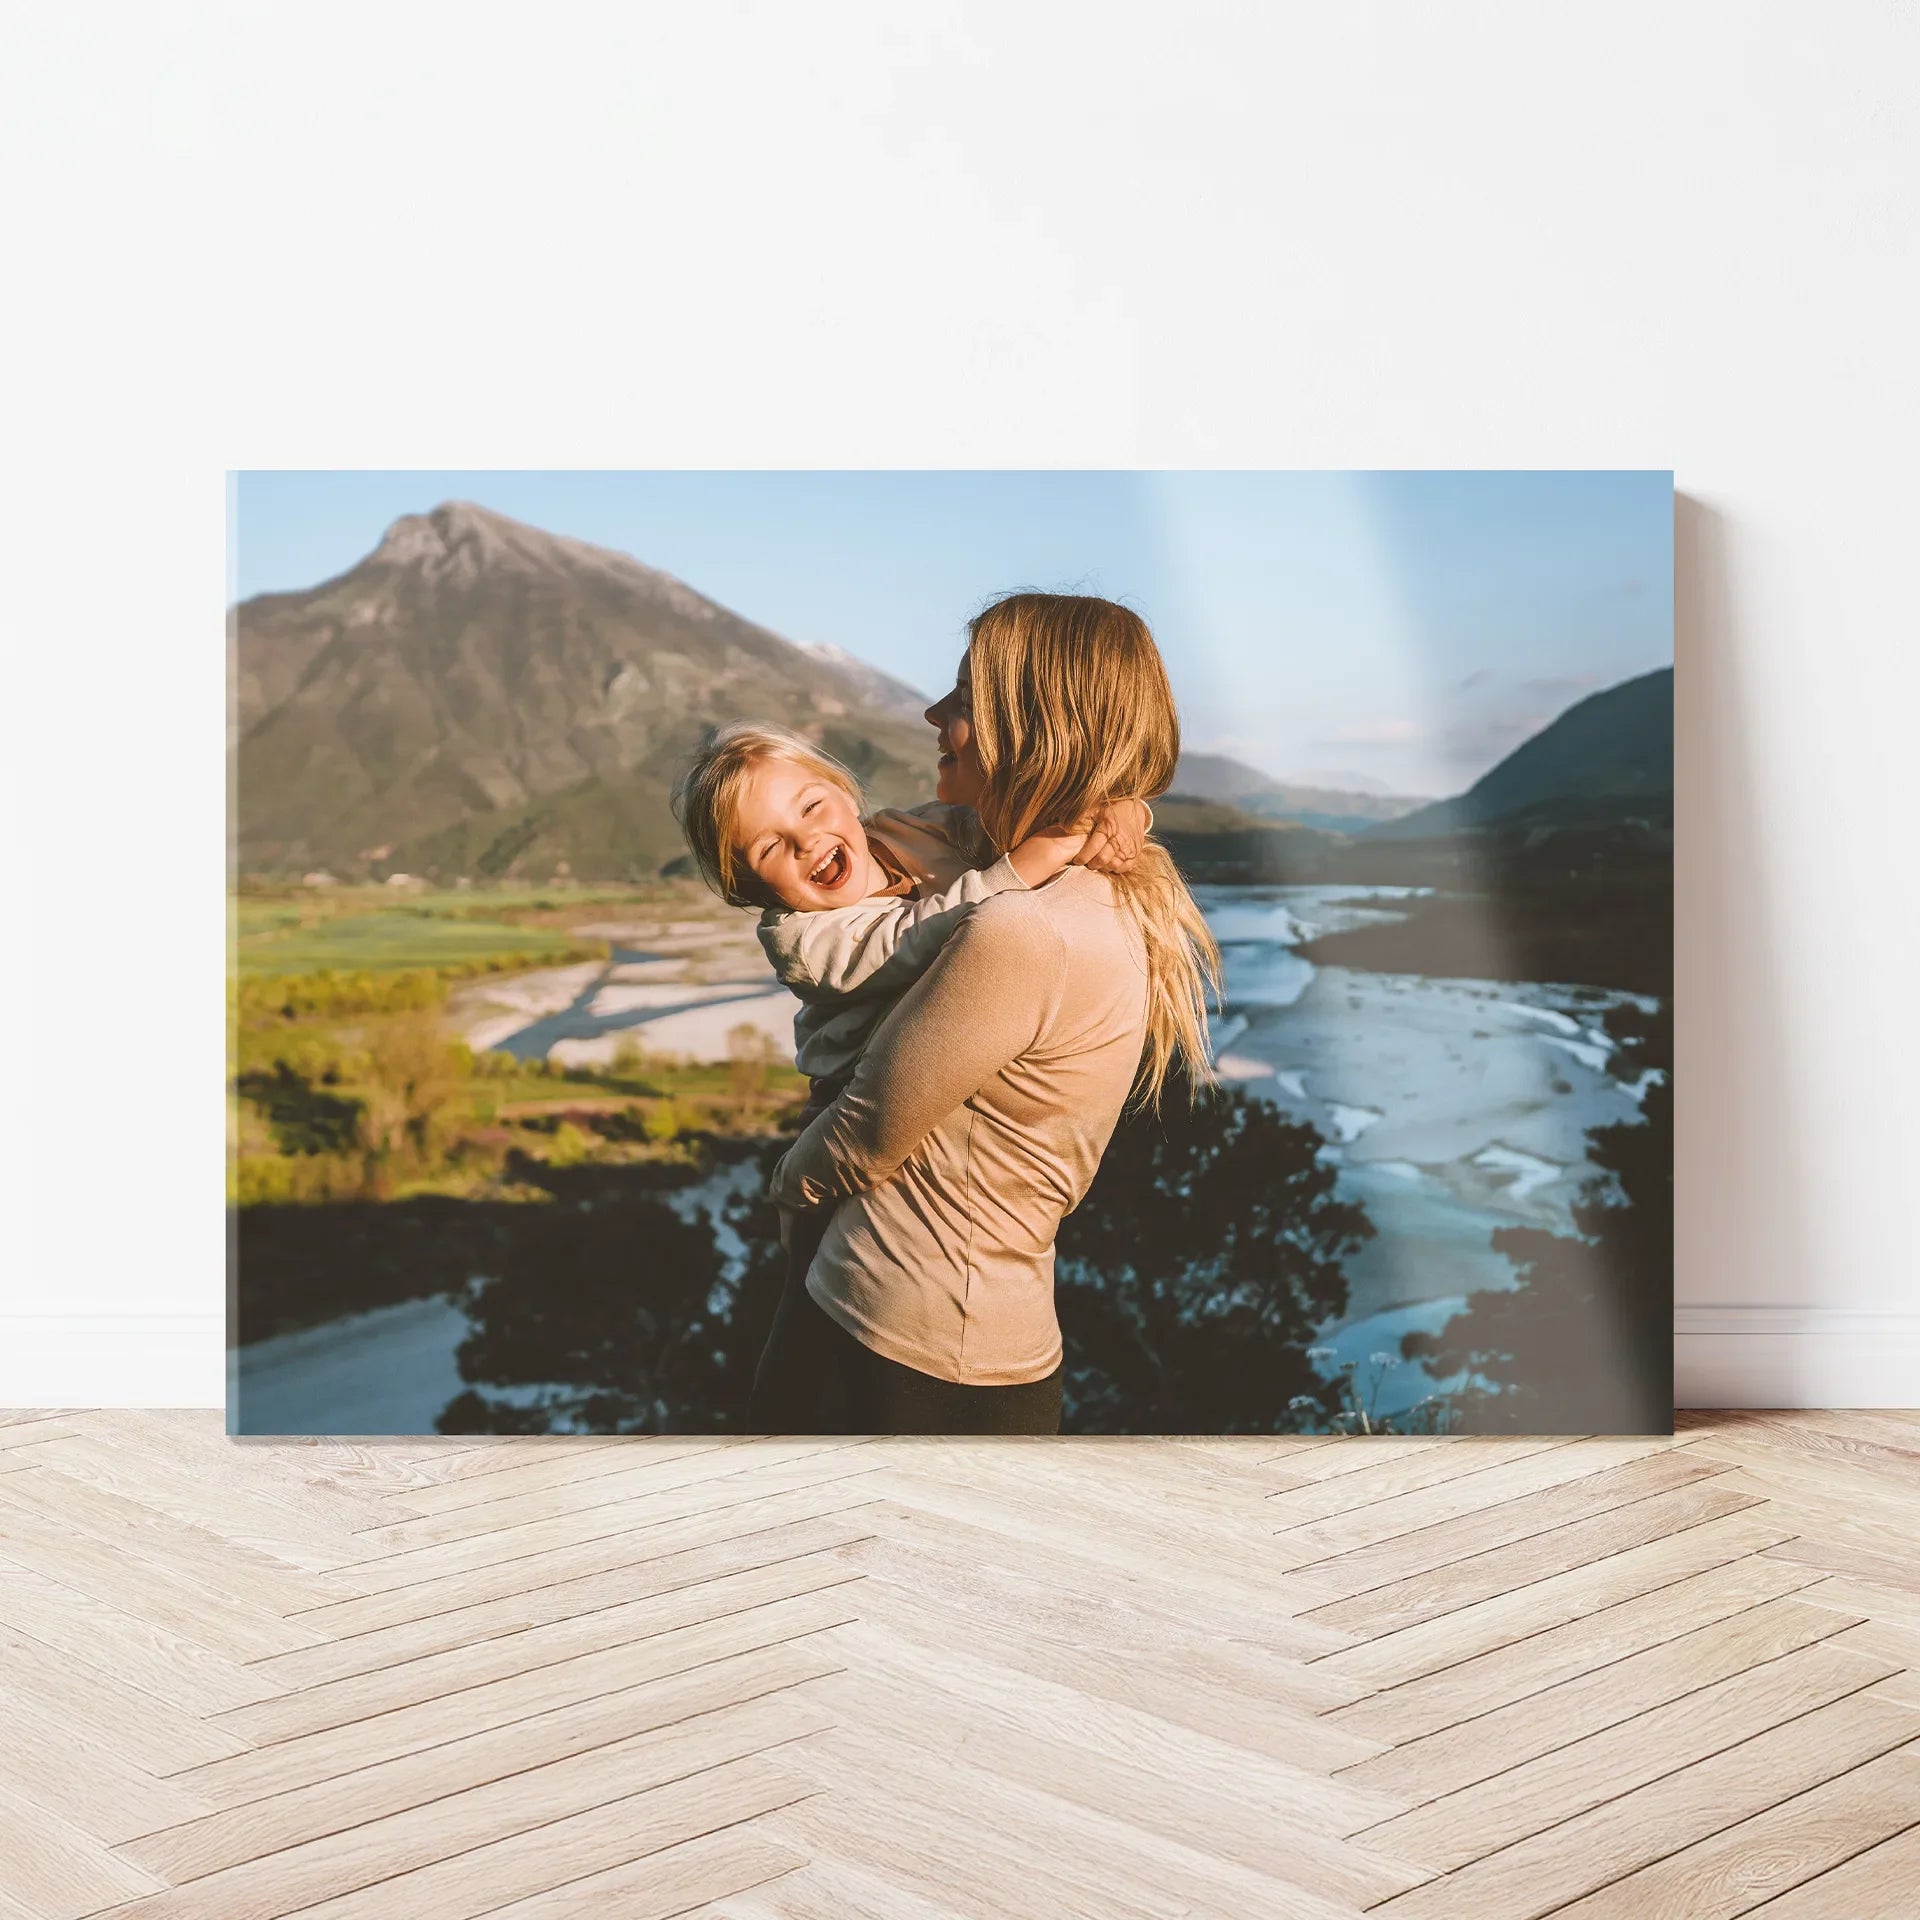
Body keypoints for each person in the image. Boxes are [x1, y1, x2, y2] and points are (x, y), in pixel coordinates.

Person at [767, 592, 1222, 1434]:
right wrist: (1116, 805)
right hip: (963, 1332)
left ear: (1041, 727)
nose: (934, 714)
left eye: (967, 699)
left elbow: (867, 1134)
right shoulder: (1077, 886)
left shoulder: (1018, 926)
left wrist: (785, 1188)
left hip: (901, 1341)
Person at [669, 720, 1150, 1428]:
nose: (807, 842)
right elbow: (920, 936)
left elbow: (995, 820)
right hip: (847, 1109)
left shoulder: (905, 832)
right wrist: (1028, 866)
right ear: (749, 885)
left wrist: (1119, 811)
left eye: (811, 807)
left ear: (844, 794)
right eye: (770, 847)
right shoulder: (803, 939)